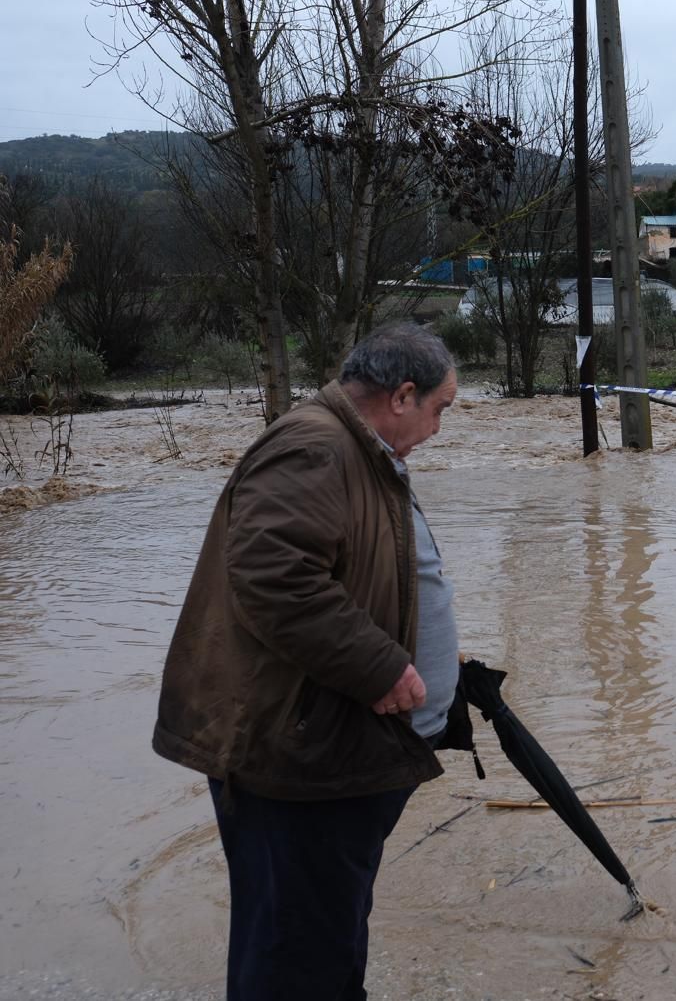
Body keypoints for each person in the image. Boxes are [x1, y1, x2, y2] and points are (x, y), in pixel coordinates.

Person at [152, 323, 462, 1001]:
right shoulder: (316, 447)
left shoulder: (355, 447)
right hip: (296, 758)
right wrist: (382, 667)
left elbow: (355, 572)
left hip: (332, 749)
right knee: (296, 953)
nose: (441, 426)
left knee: (323, 936)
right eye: (441, 407)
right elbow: (273, 576)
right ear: (403, 395)